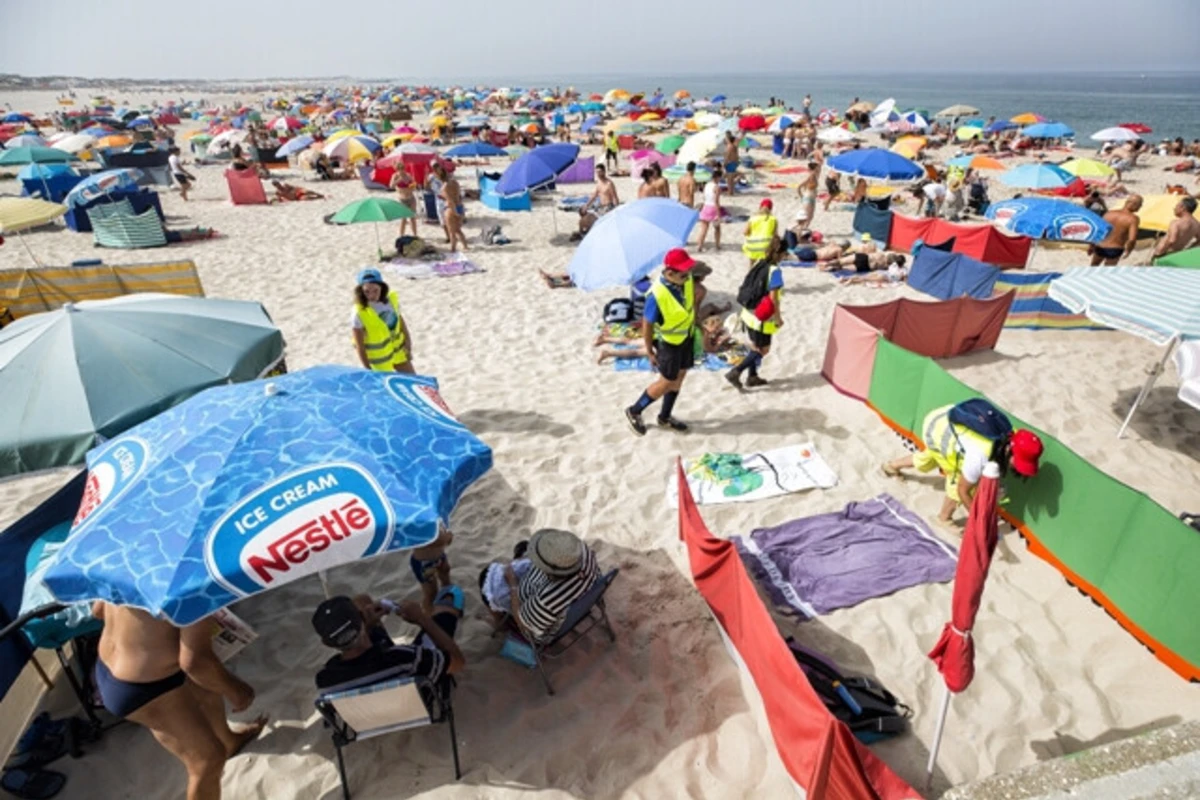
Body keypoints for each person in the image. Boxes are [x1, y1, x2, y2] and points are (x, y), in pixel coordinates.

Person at [92, 602, 266, 800]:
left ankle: (229, 741)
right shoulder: (190, 590)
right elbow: (195, 663)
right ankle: (222, 748)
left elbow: (98, 611)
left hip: (106, 665)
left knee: (207, 685)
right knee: (207, 760)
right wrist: (236, 690)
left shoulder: (133, 580)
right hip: (143, 688)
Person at [882, 405, 1044, 524]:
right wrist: (978, 519)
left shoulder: (1011, 433)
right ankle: (944, 519)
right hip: (939, 432)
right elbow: (963, 491)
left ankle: (892, 466)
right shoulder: (980, 455)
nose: (1019, 468)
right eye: (1020, 462)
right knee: (956, 481)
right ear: (1011, 451)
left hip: (943, 418)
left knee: (929, 458)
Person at [312, 591, 465, 690]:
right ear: (362, 619)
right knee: (446, 608)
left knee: (362, 600)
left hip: (371, 715)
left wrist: (368, 626)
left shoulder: (324, 680)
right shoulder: (403, 657)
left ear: (327, 643)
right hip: (416, 699)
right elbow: (458, 663)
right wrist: (422, 619)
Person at [623, 248, 699, 435]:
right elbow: (647, 325)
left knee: (680, 376)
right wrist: (649, 351)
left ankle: (665, 417)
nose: (688, 276)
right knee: (666, 382)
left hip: (686, 337)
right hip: (668, 343)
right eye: (684, 274)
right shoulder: (656, 295)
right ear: (670, 273)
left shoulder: (686, 279)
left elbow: (692, 298)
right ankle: (635, 410)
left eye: (689, 271)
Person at [505, 529, 600, 642]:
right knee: (523, 546)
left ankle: (500, 624)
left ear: (551, 573)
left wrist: (512, 584)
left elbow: (524, 625)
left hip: (537, 623)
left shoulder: (546, 601)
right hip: (583, 594)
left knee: (488, 582)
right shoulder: (580, 549)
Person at [726, 237, 785, 389]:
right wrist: (778, 318)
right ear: (781, 254)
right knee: (763, 349)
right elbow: (773, 298)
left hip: (748, 313)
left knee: (754, 346)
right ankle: (736, 372)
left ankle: (752, 377)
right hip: (761, 316)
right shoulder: (775, 271)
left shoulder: (759, 263)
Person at [351, 268, 415, 374]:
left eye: (375, 290)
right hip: (379, 360)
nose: (371, 295)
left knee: (412, 380)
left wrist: (408, 343)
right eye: (367, 291)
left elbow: (400, 321)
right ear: (361, 291)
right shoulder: (359, 312)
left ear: (382, 287)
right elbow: (359, 346)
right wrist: (368, 369)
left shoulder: (391, 301)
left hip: (398, 352)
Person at [411, 526, 454, 614]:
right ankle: (428, 613)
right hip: (424, 564)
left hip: (440, 556)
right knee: (431, 593)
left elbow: (445, 539)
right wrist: (446, 537)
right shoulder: (417, 524)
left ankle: (447, 600)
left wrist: (446, 537)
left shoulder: (433, 520)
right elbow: (432, 541)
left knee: (446, 575)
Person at [1090, 195, 1143, 265]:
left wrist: (1091, 245)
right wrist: (1129, 250)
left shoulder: (1109, 213)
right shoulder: (1133, 219)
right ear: (1134, 204)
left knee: (1093, 266)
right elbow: (1132, 239)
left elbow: (1097, 231)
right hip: (1115, 249)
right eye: (1140, 205)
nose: (1140, 207)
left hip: (1100, 246)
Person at [439, 166, 469, 252]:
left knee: (452, 231)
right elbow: (459, 196)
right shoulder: (455, 183)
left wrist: (454, 211)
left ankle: (453, 248)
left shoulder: (444, 188)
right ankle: (465, 246)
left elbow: (449, 201)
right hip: (459, 206)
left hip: (451, 208)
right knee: (458, 230)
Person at [695, 165, 723, 252]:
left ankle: (699, 246)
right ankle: (717, 245)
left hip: (706, 206)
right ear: (718, 177)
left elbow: (704, 197)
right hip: (713, 208)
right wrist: (719, 214)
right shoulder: (717, 187)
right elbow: (716, 201)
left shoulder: (706, 185)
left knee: (704, 229)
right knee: (717, 228)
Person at [742, 198, 778, 263]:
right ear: (771, 208)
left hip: (752, 246)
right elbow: (775, 235)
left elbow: (745, 232)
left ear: (760, 207)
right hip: (766, 247)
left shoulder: (753, 218)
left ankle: (752, 265)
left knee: (752, 258)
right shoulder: (773, 219)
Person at [390, 168, 419, 238]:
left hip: (411, 198)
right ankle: (401, 235)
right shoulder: (395, 176)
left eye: (403, 168)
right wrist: (399, 180)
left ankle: (415, 235)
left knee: (412, 217)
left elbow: (414, 185)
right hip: (402, 199)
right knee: (403, 219)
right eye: (400, 169)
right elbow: (391, 186)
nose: (402, 170)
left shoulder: (408, 175)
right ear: (397, 169)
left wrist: (410, 186)